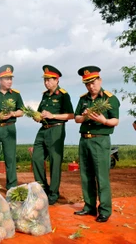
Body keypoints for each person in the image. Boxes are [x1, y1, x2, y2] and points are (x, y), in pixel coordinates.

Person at [74, 66, 120, 223]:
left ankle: (105, 210)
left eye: (93, 83)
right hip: (84, 139)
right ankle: (89, 206)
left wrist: (104, 121)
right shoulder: (83, 99)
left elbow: (116, 120)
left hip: (100, 140)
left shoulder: (109, 98)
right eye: (87, 84)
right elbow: (77, 118)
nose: (90, 86)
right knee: (86, 175)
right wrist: (85, 116)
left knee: (101, 176)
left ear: (99, 80)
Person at [31, 65, 74, 205]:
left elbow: (71, 115)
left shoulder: (63, 95)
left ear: (57, 80)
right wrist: (37, 116)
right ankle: (43, 188)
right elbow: (40, 112)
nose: (46, 83)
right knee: (36, 158)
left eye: (49, 80)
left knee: (55, 163)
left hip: (56, 129)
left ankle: (53, 194)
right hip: (43, 129)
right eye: (45, 80)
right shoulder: (45, 95)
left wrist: (52, 115)